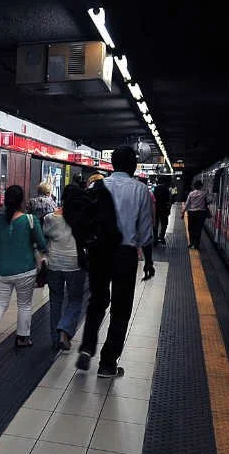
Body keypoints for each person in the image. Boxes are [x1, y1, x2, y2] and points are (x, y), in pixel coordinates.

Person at [75, 146, 154, 377]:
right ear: (134, 166)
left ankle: (87, 347)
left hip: (98, 251)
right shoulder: (140, 190)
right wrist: (148, 261)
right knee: (121, 307)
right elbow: (145, 232)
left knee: (97, 301)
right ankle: (108, 363)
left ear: (112, 164)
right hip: (124, 254)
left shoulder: (98, 186)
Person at [0, 184, 48, 352]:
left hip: (1, 270)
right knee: (24, 304)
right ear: (22, 201)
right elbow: (41, 243)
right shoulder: (30, 220)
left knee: (0, 303)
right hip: (25, 270)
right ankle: (22, 338)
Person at [43, 184, 88, 351]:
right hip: (75, 263)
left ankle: (55, 339)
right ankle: (64, 328)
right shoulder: (82, 217)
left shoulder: (50, 218)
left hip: (54, 262)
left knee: (55, 300)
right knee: (75, 299)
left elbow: (44, 236)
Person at [185, 179, 210, 249]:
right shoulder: (204, 193)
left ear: (194, 186)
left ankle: (191, 243)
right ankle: (196, 244)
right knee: (198, 229)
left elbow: (187, 204)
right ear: (201, 186)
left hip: (192, 213)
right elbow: (210, 200)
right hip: (201, 214)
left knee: (191, 228)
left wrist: (182, 212)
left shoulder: (191, 194)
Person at [153, 175, 172, 244]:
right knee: (164, 223)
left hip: (156, 208)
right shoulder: (167, 189)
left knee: (156, 223)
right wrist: (169, 209)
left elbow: (153, 199)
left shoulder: (155, 188)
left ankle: (155, 238)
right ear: (164, 181)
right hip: (164, 208)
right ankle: (161, 237)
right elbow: (169, 200)